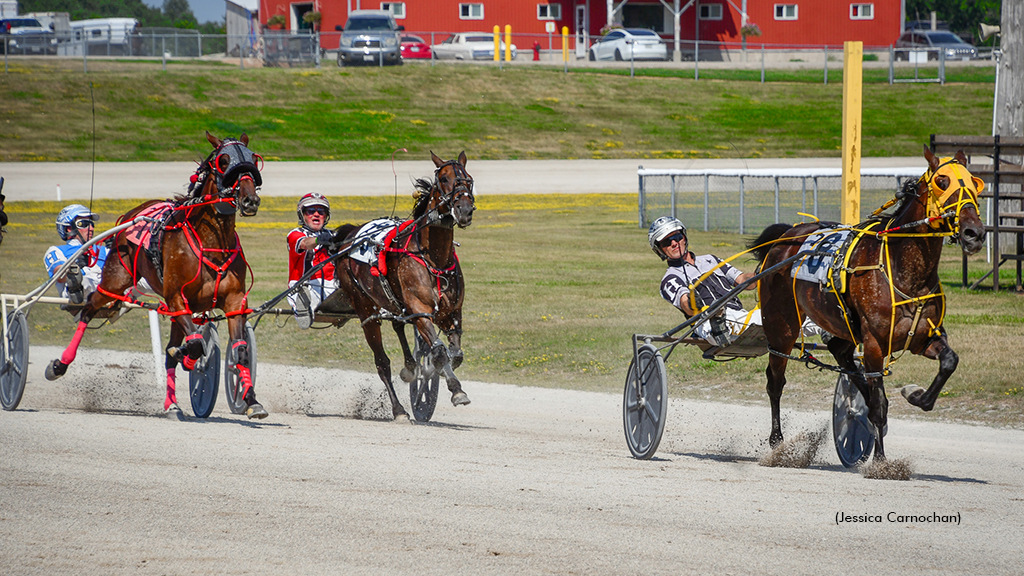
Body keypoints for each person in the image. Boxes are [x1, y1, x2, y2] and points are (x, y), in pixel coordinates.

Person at [648, 216, 825, 348]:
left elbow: (743, 281)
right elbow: (686, 304)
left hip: (739, 316)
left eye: (677, 237)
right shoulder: (670, 278)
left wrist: (762, 271)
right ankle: (719, 324)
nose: (674, 243)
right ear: (659, 250)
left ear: (684, 237)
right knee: (766, 319)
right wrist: (696, 303)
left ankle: (828, 325)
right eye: (666, 242)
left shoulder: (710, 260)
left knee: (795, 314)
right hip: (707, 323)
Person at [287, 193, 336, 328]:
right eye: (311, 211)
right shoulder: (295, 234)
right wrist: (319, 240)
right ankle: (303, 306)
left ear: (326, 216)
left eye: (321, 211)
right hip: (304, 285)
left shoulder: (333, 235)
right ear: (302, 215)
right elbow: (304, 244)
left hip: (333, 285)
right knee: (310, 297)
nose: (316, 214)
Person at [44, 204, 109, 305]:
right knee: (86, 280)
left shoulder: (103, 250)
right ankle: (76, 287)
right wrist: (77, 267)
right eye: (84, 224)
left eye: (92, 224)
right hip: (78, 293)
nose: (91, 228)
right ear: (69, 228)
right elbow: (60, 276)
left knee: (139, 279)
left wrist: (118, 250)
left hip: (106, 289)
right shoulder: (56, 250)